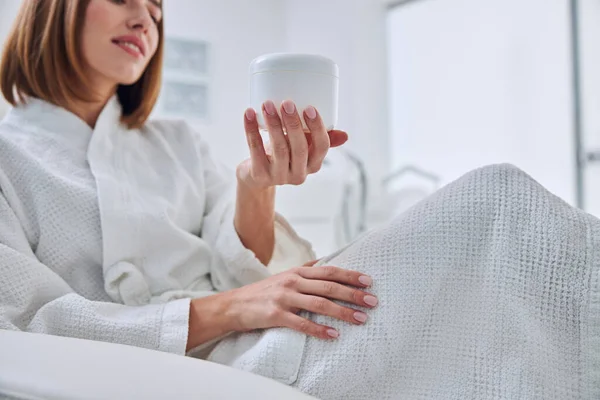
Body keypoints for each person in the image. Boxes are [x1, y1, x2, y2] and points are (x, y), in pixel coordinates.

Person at [1, 2, 598, 399]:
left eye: (157, 10)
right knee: (492, 207)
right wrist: (228, 310)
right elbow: (27, 320)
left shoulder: (176, 143)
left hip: (256, 331)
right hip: (192, 361)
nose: (146, 19)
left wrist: (255, 185)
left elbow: (242, 263)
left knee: (503, 218)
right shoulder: (9, 155)